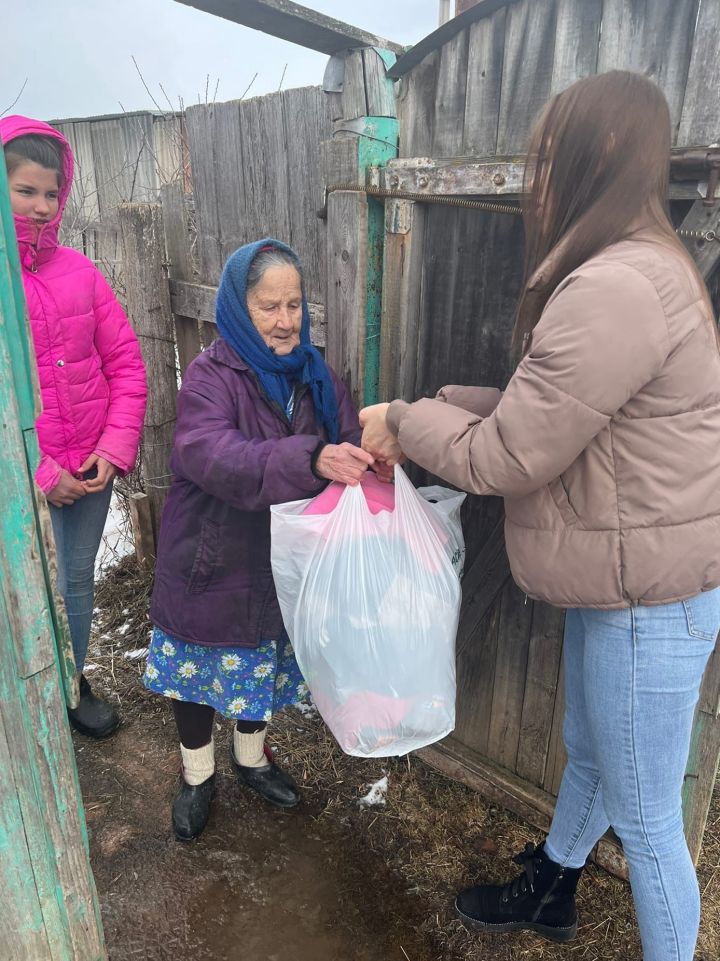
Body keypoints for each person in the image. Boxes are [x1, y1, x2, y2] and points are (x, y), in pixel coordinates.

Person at [360, 71, 720, 961]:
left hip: (648, 600)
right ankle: (554, 887)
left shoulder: (618, 287)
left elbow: (508, 455)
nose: (537, 176)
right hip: (628, 585)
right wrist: (439, 401)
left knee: (645, 820)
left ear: (596, 161)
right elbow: (552, 415)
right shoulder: (632, 269)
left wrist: (407, 421)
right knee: (592, 750)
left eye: (550, 156)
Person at [146, 238, 380, 841]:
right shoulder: (210, 376)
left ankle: (251, 760)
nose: (285, 321)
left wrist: (367, 454)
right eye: (268, 307)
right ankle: (197, 774)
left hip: (280, 559)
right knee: (199, 667)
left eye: (295, 305)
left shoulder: (314, 374)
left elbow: (344, 431)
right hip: (211, 555)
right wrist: (313, 458)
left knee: (260, 665)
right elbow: (213, 456)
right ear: (237, 309)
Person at [1, 116, 147, 739]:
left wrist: (113, 450)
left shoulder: (81, 274)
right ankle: (24, 690)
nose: (39, 206)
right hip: (22, 479)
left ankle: (71, 679)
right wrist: (38, 472)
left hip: (89, 472)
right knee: (23, 593)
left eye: (50, 193)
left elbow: (127, 367)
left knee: (75, 584)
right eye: (23, 190)